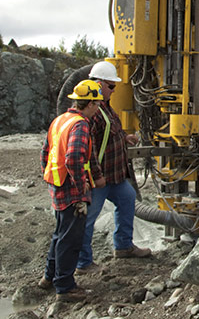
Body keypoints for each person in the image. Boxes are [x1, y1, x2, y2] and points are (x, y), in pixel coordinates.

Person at [75, 61, 151, 274]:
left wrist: (123, 137)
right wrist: (95, 176)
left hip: (115, 175)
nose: (114, 90)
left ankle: (124, 246)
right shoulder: (92, 110)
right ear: (98, 84)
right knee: (88, 218)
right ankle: (83, 263)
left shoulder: (104, 106)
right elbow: (88, 145)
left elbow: (107, 132)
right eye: (111, 86)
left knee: (128, 199)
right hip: (100, 177)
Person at [39, 79, 104, 302]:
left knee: (60, 234)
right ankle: (65, 286)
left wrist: (51, 179)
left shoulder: (60, 120)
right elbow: (74, 157)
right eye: (97, 104)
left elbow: (45, 153)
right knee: (70, 238)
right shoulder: (80, 125)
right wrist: (80, 186)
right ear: (90, 104)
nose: (98, 109)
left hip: (57, 185)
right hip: (71, 189)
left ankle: (49, 277)